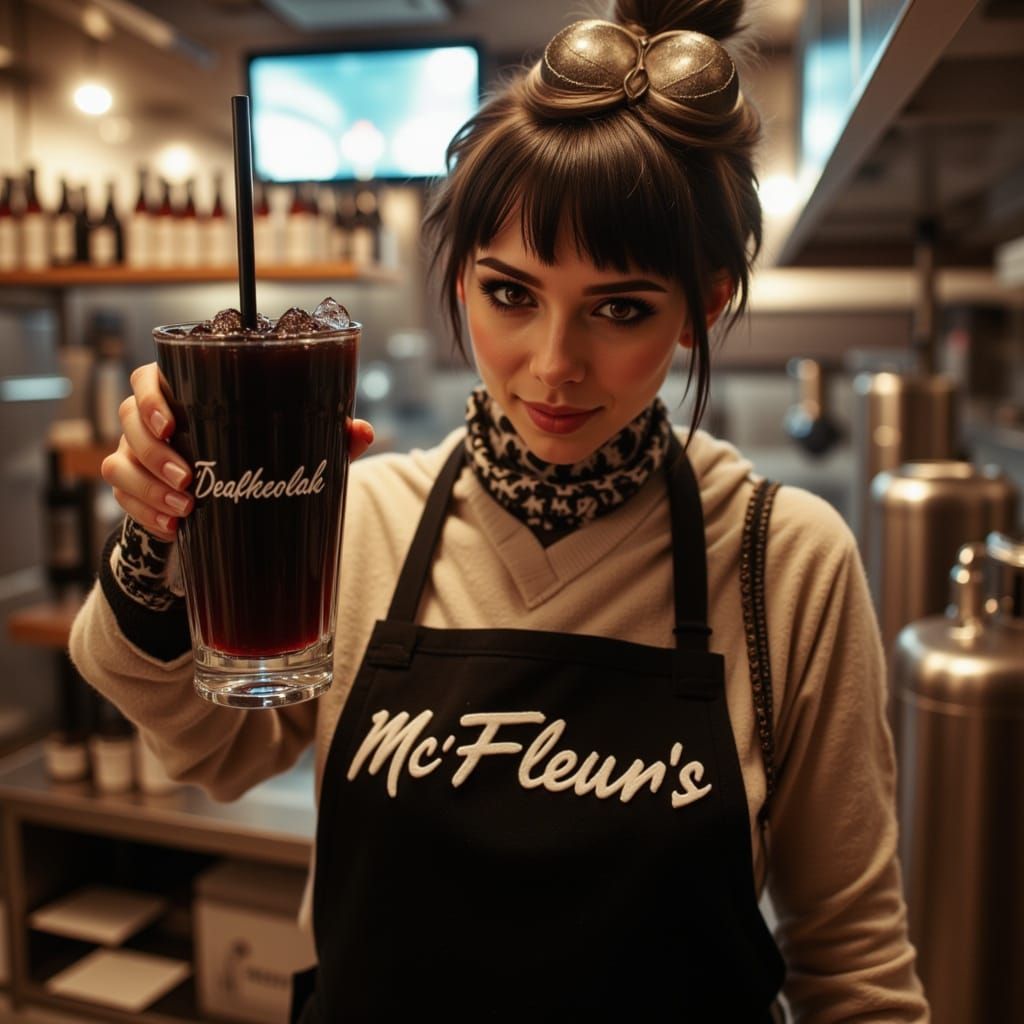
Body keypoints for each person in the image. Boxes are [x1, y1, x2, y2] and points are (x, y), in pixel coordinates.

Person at [70, 1, 929, 1019]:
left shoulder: (778, 555)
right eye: (511, 294)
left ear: (705, 302)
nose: (554, 365)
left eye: (619, 307)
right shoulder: (363, 517)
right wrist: (155, 539)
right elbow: (209, 751)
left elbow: (851, 957)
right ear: (463, 278)